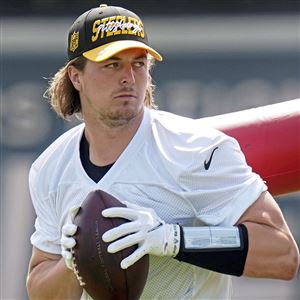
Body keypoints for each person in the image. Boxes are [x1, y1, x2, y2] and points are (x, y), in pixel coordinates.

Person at [26, 3, 299, 299]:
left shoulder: (194, 149)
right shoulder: (51, 168)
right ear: (76, 77)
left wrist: (173, 239)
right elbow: (41, 290)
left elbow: (282, 254)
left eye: (139, 63)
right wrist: (74, 261)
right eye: (112, 64)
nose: (129, 77)